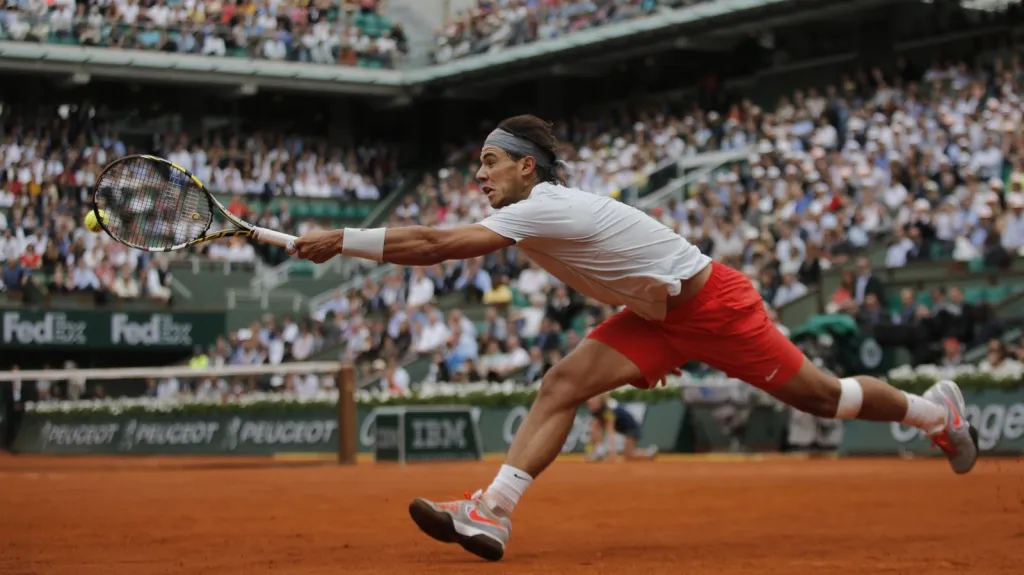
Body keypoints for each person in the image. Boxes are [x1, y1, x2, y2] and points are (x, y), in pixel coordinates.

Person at [292, 114, 979, 563]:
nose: (480, 174)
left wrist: (342, 239)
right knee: (560, 382)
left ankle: (932, 412)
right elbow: (440, 239)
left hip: (713, 305)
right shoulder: (535, 208)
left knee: (824, 397)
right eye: (479, 163)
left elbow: (438, 244)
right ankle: (492, 510)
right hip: (653, 318)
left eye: (492, 162)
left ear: (528, 168)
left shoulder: (545, 206)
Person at [584, 393, 657, 462]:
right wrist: (588, 452)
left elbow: (610, 432)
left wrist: (612, 453)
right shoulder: (595, 411)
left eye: (593, 401)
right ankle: (599, 451)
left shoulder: (609, 410)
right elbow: (592, 434)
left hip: (631, 428)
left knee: (629, 455)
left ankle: (649, 454)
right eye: (589, 402)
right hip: (622, 429)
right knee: (595, 426)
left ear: (600, 401)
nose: (590, 403)